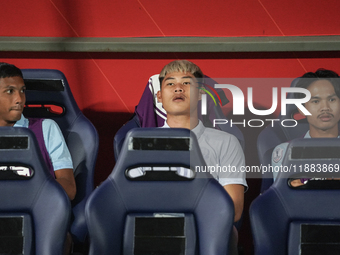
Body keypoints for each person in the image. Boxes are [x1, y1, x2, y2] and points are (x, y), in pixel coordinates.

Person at [156, 60, 247, 222]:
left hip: (205, 230)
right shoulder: (140, 144)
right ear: (160, 96)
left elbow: (234, 210)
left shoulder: (226, 142)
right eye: (170, 84)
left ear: (200, 94)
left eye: (186, 82)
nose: (178, 88)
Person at [0, 62, 76, 200]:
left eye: (22, 91)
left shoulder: (46, 129)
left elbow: (69, 188)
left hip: (38, 212)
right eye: (10, 91)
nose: (19, 99)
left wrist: (26, 192)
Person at [272, 69, 340, 186]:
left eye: (331, 99)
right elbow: (285, 198)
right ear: (302, 108)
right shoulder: (285, 151)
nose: (325, 107)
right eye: (315, 101)